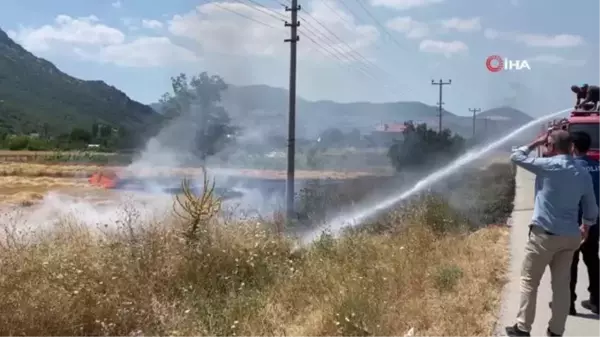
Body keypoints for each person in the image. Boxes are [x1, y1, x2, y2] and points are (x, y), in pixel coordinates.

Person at [506, 130, 598, 337]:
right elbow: (591, 207)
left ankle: (522, 328)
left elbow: (516, 156)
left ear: (552, 146)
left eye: (547, 144)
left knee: (530, 281)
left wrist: (534, 142)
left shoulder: (547, 166)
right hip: (570, 237)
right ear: (571, 147)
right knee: (561, 286)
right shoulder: (582, 172)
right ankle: (556, 331)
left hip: (544, 236)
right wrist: (586, 226)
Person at [569, 131, 600, 314]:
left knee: (570, 263)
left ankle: (568, 303)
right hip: (594, 223)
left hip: (573, 223)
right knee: (593, 261)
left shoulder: (570, 167)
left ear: (573, 146)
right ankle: (597, 301)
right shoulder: (597, 166)